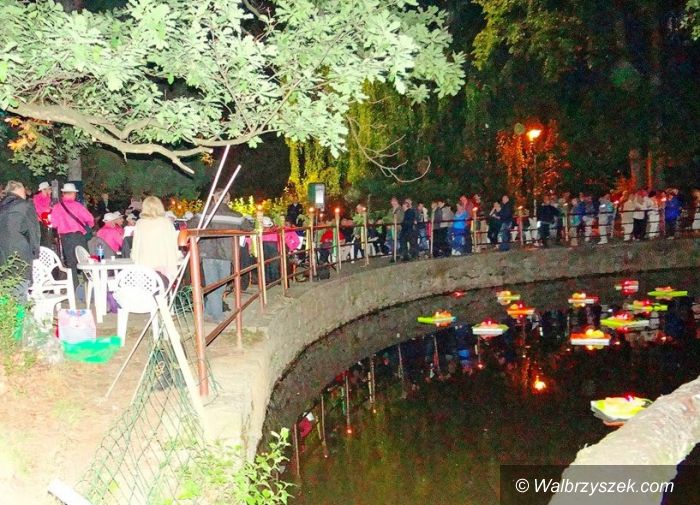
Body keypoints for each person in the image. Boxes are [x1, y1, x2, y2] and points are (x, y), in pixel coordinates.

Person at [189, 190, 254, 323]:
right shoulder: (236, 216)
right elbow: (249, 227)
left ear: (214, 198)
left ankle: (208, 312)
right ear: (228, 199)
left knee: (212, 284)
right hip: (227, 253)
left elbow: (190, 224)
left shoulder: (205, 213)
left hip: (208, 252)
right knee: (221, 285)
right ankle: (218, 316)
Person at [50, 183, 95, 287]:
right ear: (72, 194)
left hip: (65, 238)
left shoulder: (57, 207)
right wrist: (88, 225)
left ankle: (74, 286)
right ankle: (88, 285)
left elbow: (54, 224)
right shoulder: (78, 206)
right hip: (78, 237)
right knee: (85, 261)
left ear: (64, 194)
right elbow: (90, 219)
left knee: (71, 263)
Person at [0, 181, 40, 296]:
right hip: (20, 253)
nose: (25, 194)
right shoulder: (25, 205)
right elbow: (33, 231)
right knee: (20, 287)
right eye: (23, 191)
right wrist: (35, 253)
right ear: (18, 190)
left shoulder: (1, 206)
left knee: (6, 288)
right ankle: (20, 308)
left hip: (2, 253)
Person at [131, 196, 181, 284]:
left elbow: (136, 246)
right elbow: (173, 244)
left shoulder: (140, 223)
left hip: (145, 267)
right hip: (164, 265)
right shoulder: (166, 223)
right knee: (165, 290)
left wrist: (135, 259)